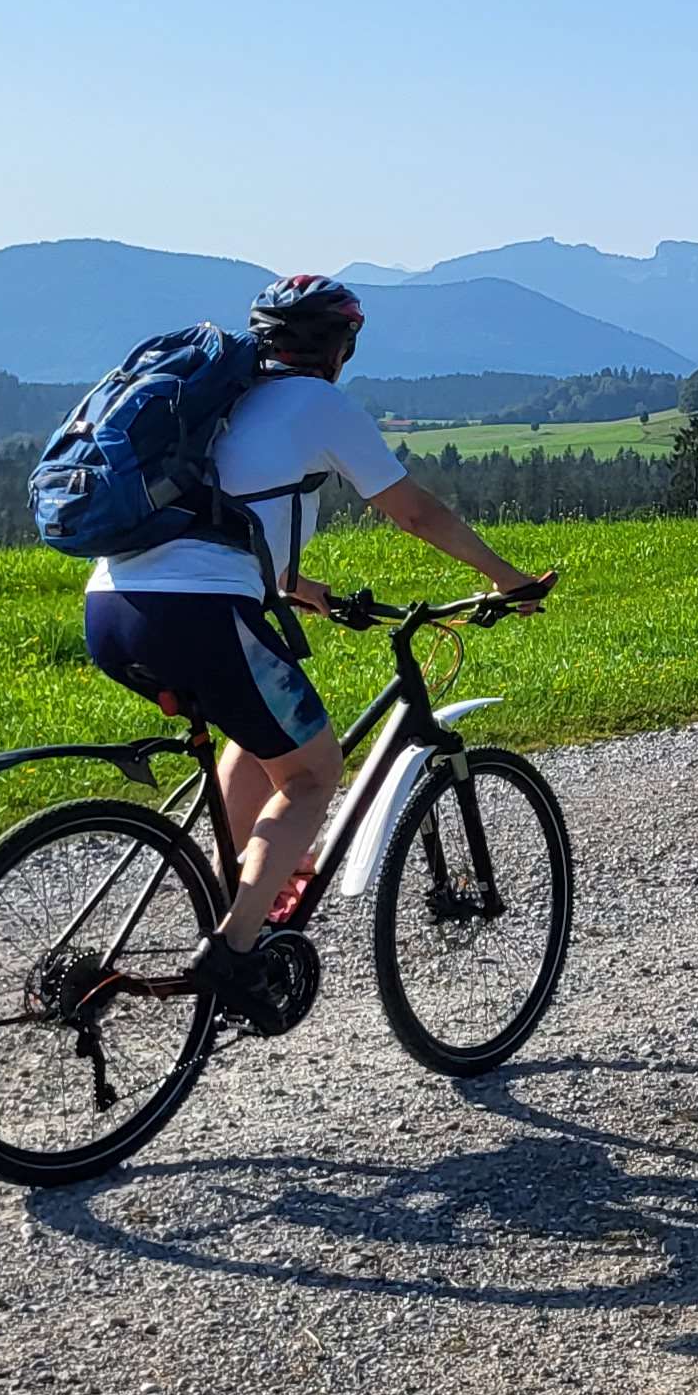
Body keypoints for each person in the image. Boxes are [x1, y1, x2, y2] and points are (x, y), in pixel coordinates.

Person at [81, 275, 555, 1027]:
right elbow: (413, 511)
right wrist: (510, 579)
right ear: (341, 347)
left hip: (110, 609)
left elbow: (224, 527)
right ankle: (234, 955)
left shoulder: (218, 404)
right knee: (313, 773)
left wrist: (316, 594)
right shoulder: (319, 403)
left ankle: (239, 897)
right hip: (203, 615)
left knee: (254, 733)